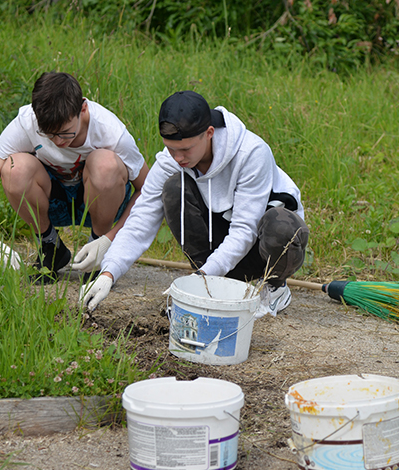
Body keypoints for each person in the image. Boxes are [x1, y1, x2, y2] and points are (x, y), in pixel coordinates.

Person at [80, 90, 309, 318]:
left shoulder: (251, 153)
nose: (178, 158)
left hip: (263, 245)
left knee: (281, 226)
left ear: (209, 133)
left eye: (185, 149)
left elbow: (244, 230)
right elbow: (141, 217)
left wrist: (203, 275)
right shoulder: (172, 160)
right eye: (171, 149)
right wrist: (108, 273)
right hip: (221, 246)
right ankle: (212, 282)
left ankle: (275, 288)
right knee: (173, 189)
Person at [0, 71, 149, 284]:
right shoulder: (26, 124)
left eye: (66, 133)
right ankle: (50, 247)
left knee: (105, 164)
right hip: (53, 201)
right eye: (48, 134)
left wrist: (109, 239)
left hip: (99, 202)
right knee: (14, 168)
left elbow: (147, 191)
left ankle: (97, 249)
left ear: (83, 109)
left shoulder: (110, 131)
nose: (58, 141)